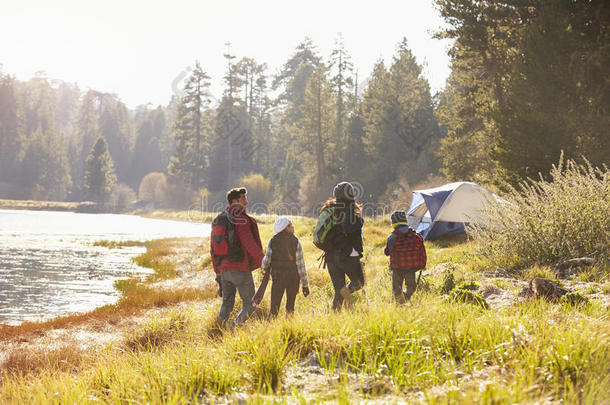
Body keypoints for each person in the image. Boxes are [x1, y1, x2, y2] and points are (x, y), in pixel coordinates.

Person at [210, 187, 264, 328]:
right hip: (240, 268)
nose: (246, 201)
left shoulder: (219, 219)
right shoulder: (240, 219)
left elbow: (212, 249)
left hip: (224, 271)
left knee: (227, 303)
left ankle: (218, 329)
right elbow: (249, 243)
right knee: (251, 304)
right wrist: (263, 260)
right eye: (243, 199)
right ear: (235, 201)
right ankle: (235, 327)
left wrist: (217, 271)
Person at [320, 182, 365, 310]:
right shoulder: (349, 208)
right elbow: (347, 228)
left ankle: (335, 319)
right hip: (347, 255)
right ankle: (346, 293)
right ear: (351, 193)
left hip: (329, 256)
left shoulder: (330, 208)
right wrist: (360, 221)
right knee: (359, 282)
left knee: (338, 292)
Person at [260, 217, 310, 318]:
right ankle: (288, 328)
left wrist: (264, 269)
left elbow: (265, 263)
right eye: (290, 225)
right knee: (290, 308)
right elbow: (301, 266)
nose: (292, 227)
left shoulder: (272, 241)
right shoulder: (296, 241)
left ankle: (270, 328)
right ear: (285, 228)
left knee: (274, 308)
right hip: (293, 278)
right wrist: (305, 285)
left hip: (278, 278)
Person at [384, 210, 427, 304]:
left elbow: (387, 252)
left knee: (396, 288)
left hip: (397, 267)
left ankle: (399, 303)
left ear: (394, 223)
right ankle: (406, 297)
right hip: (411, 268)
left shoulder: (392, 237)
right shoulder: (415, 236)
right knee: (411, 286)